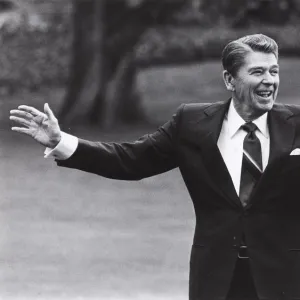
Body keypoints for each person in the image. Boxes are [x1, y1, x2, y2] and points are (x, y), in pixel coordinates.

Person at [9, 33, 300, 300]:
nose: (270, 80)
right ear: (229, 79)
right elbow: (130, 159)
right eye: (257, 72)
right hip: (216, 279)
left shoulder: (296, 125)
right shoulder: (192, 124)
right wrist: (61, 142)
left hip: (286, 278)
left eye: (274, 71)